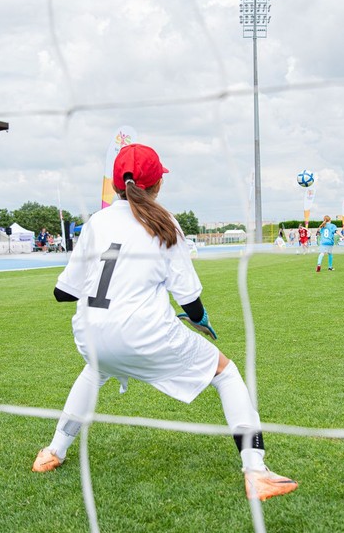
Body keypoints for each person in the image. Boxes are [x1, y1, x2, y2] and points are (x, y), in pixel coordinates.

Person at [32, 144, 297, 502]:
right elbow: (188, 299)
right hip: (143, 333)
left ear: (114, 183)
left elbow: (63, 294)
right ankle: (256, 470)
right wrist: (200, 320)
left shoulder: (97, 221)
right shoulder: (164, 222)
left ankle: (52, 452)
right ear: (157, 184)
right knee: (226, 372)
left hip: (90, 332)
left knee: (94, 369)